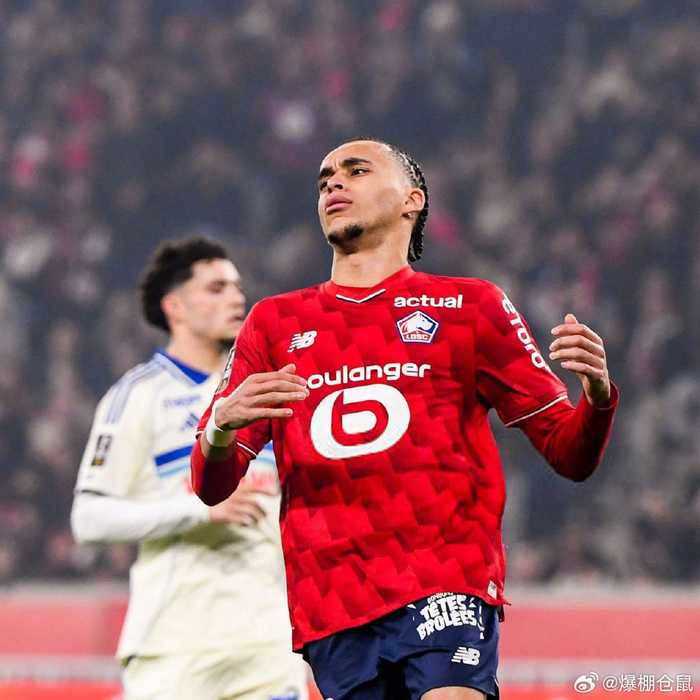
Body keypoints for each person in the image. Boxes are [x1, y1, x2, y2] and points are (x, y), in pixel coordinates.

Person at [191, 140, 619, 700]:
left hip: (446, 575)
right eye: (325, 179)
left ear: (411, 200)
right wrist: (221, 426)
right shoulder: (274, 322)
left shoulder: (470, 307)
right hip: (333, 600)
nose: (333, 184)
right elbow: (211, 485)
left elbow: (569, 454)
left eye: (356, 171)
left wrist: (598, 397)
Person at [71, 237, 308, 700]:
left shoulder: (266, 391)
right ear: (175, 306)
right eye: (216, 288)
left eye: (237, 287)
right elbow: (89, 519)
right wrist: (200, 510)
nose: (236, 298)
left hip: (268, 647)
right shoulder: (139, 395)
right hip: (176, 648)